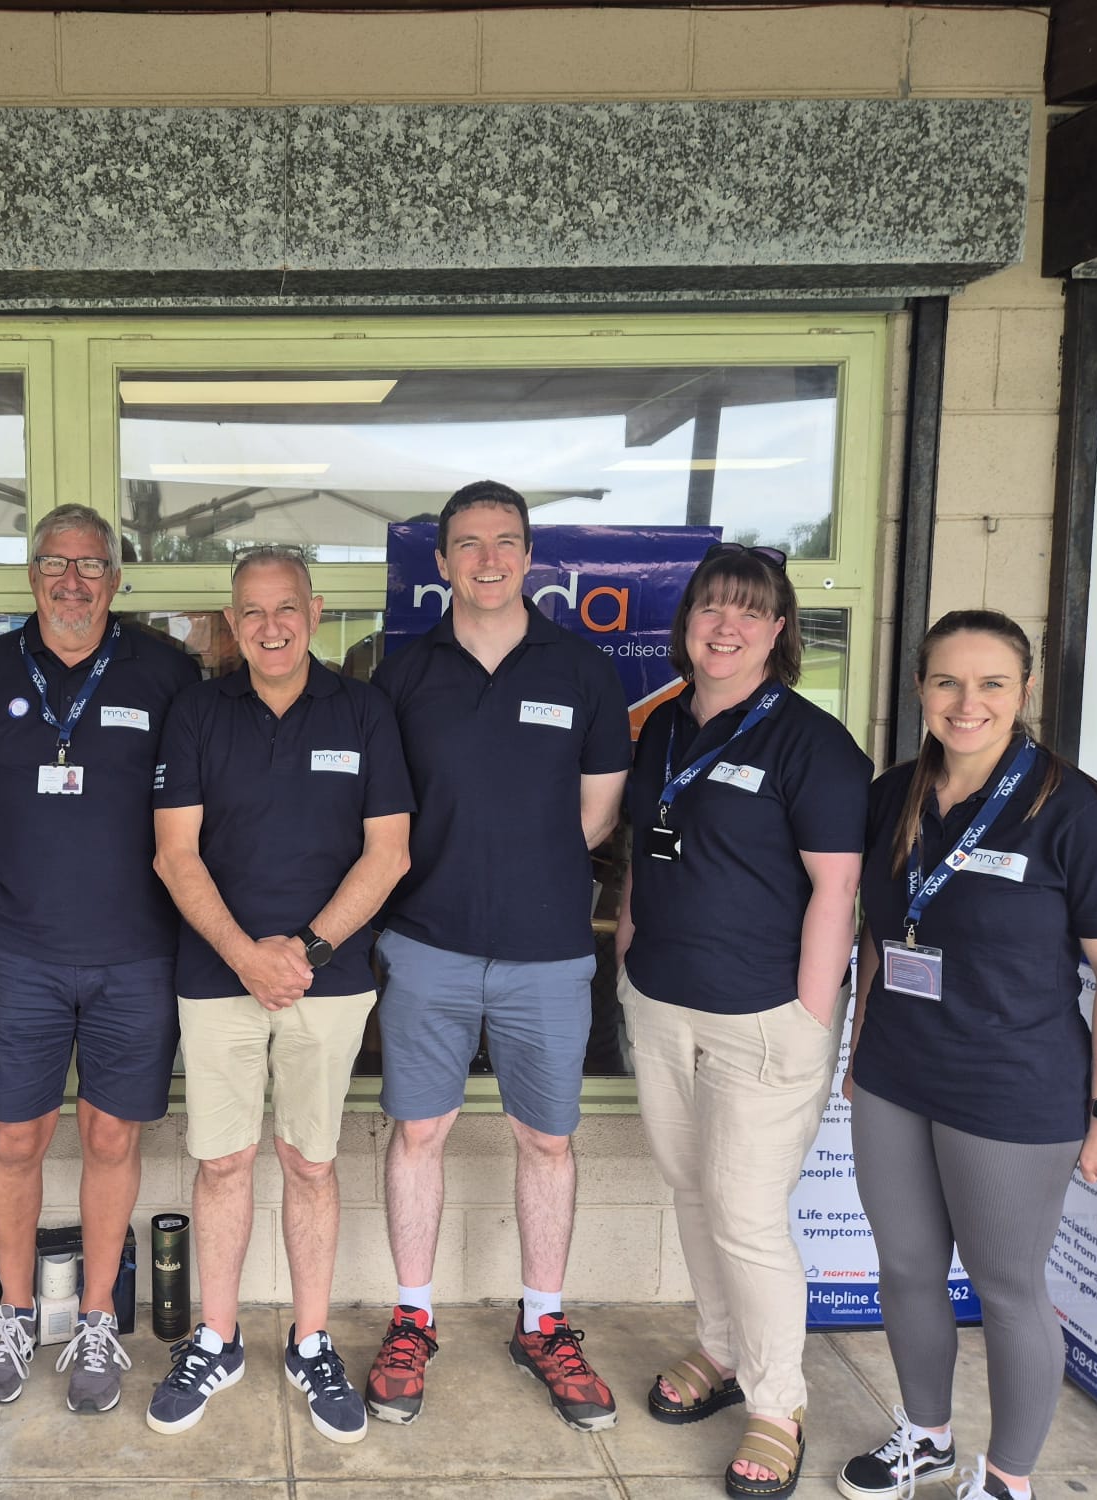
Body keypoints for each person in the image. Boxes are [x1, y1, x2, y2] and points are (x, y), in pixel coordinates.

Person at [839, 610, 1097, 1500]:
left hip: (1013, 1087)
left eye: (991, 684)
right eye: (946, 681)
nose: (966, 702)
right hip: (897, 1073)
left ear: (1024, 692)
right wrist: (860, 1048)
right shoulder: (894, 795)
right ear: (920, 689)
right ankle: (927, 1436)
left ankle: (1008, 1480)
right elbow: (879, 933)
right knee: (905, 1267)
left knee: (1007, 1286)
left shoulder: (1079, 813)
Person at [366, 480, 631, 1430]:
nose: (488, 559)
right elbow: (381, 814)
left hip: (547, 950)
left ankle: (544, 1322)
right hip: (425, 944)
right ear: (441, 562)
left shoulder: (583, 670)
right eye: (469, 544)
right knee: (418, 1134)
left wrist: (521, 872)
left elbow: (597, 814)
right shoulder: (402, 675)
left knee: (546, 1141)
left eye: (505, 541)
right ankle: (413, 1317)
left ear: (529, 556)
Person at [615, 542, 869, 1500]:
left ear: (778, 631)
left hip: (763, 1018)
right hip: (660, 1002)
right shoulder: (662, 727)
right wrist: (628, 952)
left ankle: (777, 1403)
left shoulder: (812, 744)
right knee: (693, 1191)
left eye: (749, 612)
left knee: (749, 1217)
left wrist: (810, 1013)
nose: (726, 627)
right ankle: (721, 1350)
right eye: (710, 609)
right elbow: (645, 849)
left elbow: (836, 890)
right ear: (687, 624)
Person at [146, 548, 412, 1444]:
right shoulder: (196, 713)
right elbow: (175, 854)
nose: (270, 627)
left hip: (326, 981)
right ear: (232, 620)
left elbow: (388, 853)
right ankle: (217, 1341)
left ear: (315, 610)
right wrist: (243, 956)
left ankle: (310, 1342)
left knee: (310, 1162)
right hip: (215, 977)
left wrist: (304, 951)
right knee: (223, 1163)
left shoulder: (364, 711)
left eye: (286, 607)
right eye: (252, 611)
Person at [0, 502, 199, 1414]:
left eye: (92, 566)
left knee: (110, 1136)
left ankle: (96, 1319)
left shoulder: (167, 673)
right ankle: (16, 1314)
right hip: (24, 952)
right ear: (32, 574)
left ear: (117, 580)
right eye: (57, 563)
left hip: (138, 955)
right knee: (16, 1136)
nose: (73, 581)